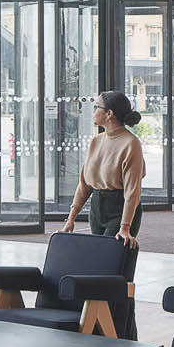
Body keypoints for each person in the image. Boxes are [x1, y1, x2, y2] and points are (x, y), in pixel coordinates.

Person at [60, 90, 144, 249]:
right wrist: (71, 219)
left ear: (109, 113)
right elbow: (84, 184)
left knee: (109, 258)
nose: (93, 111)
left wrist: (125, 227)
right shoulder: (96, 141)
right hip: (97, 210)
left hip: (120, 210)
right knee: (99, 259)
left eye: (96, 106)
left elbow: (133, 191)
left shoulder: (131, 144)